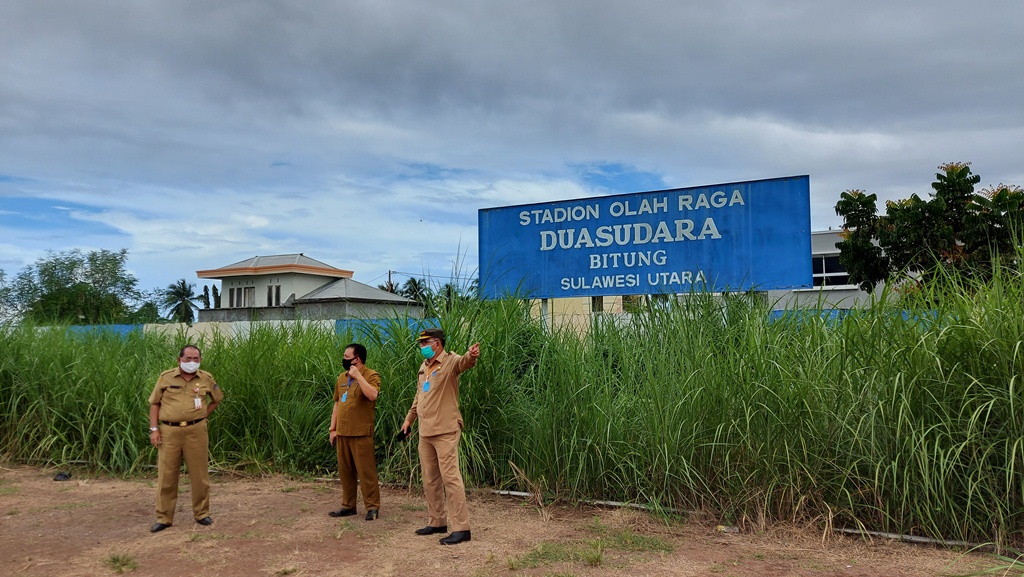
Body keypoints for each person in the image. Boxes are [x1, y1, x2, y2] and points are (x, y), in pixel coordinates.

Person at [400, 328, 480, 545]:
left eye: (425, 342)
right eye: (421, 343)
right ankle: (437, 521)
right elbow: (419, 396)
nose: (422, 347)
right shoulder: (424, 367)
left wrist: (471, 356)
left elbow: (464, 363)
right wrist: (409, 420)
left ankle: (461, 528)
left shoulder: (450, 361)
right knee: (430, 479)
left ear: (437, 343)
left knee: (450, 478)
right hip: (425, 431)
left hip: (445, 430)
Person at [147, 344, 224, 533]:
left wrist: (204, 415)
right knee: (167, 475)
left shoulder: (206, 378)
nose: (192, 362)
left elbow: (217, 399)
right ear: (179, 359)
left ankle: (202, 513)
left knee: (199, 474)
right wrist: (154, 429)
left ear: (200, 360)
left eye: (196, 359)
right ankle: (164, 517)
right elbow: (155, 403)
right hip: (169, 432)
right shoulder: (166, 377)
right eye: (188, 359)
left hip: (196, 431)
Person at [328, 342, 382, 521]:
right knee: (345, 472)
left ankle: (372, 507)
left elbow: (373, 395)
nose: (344, 359)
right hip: (342, 432)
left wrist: (359, 377)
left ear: (357, 359)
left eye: (346, 357)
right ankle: (348, 505)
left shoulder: (371, 375)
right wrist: (332, 428)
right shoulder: (341, 378)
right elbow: (337, 403)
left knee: (366, 472)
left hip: (360, 433)